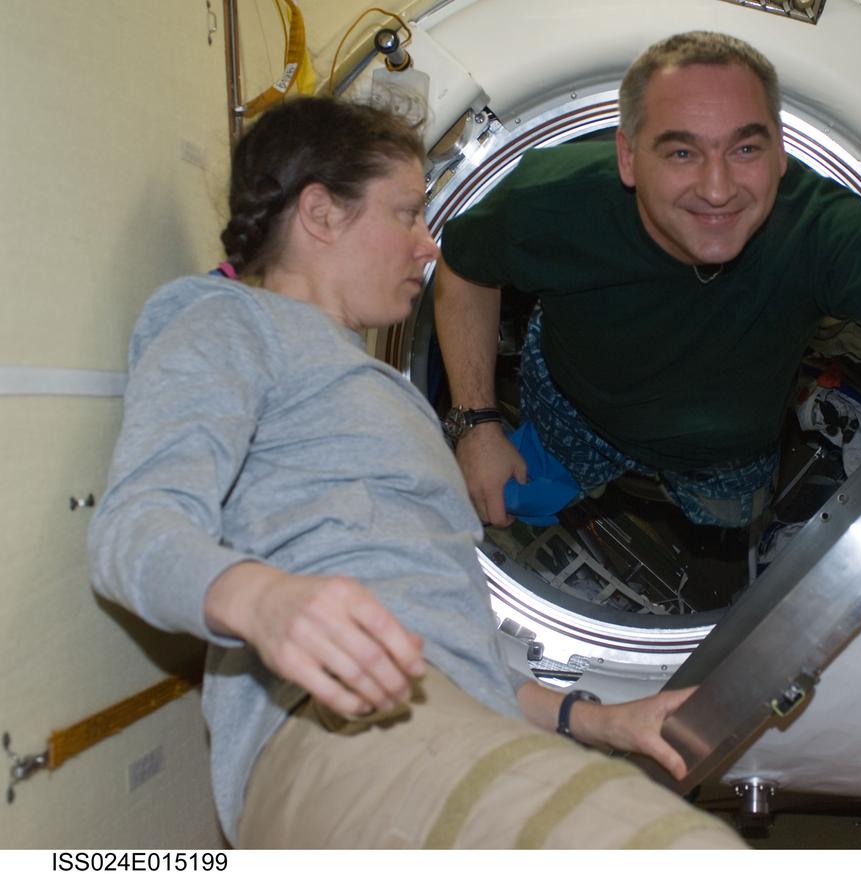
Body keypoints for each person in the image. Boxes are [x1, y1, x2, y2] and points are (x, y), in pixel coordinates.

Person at [88, 96, 744, 849]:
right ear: (321, 214)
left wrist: (598, 719)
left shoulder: (371, 384)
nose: (428, 246)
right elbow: (132, 529)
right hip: (346, 722)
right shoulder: (229, 322)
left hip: (439, 717)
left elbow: (441, 637)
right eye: (405, 214)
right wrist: (262, 599)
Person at [435, 31, 861, 533]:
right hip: (573, 409)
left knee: (732, 516)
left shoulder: (817, 225)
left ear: (780, 153)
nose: (718, 190)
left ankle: (798, 428)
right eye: (682, 153)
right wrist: (476, 423)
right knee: (514, 502)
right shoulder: (553, 203)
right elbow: (462, 270)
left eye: (745, 147)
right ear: (627, 157)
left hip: (722, 455)